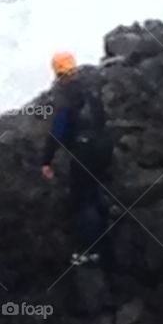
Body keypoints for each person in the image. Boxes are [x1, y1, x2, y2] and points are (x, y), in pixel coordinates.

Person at [41, 52, 113, 267]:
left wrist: (46, 161)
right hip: (103, 147)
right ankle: (107, 248)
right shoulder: (91, 89)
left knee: (83, 202)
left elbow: (57, 132)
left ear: (58, 73)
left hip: (84, 151)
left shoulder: (66, 97)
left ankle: (88, 253)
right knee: (96, 194)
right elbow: (101, 118)